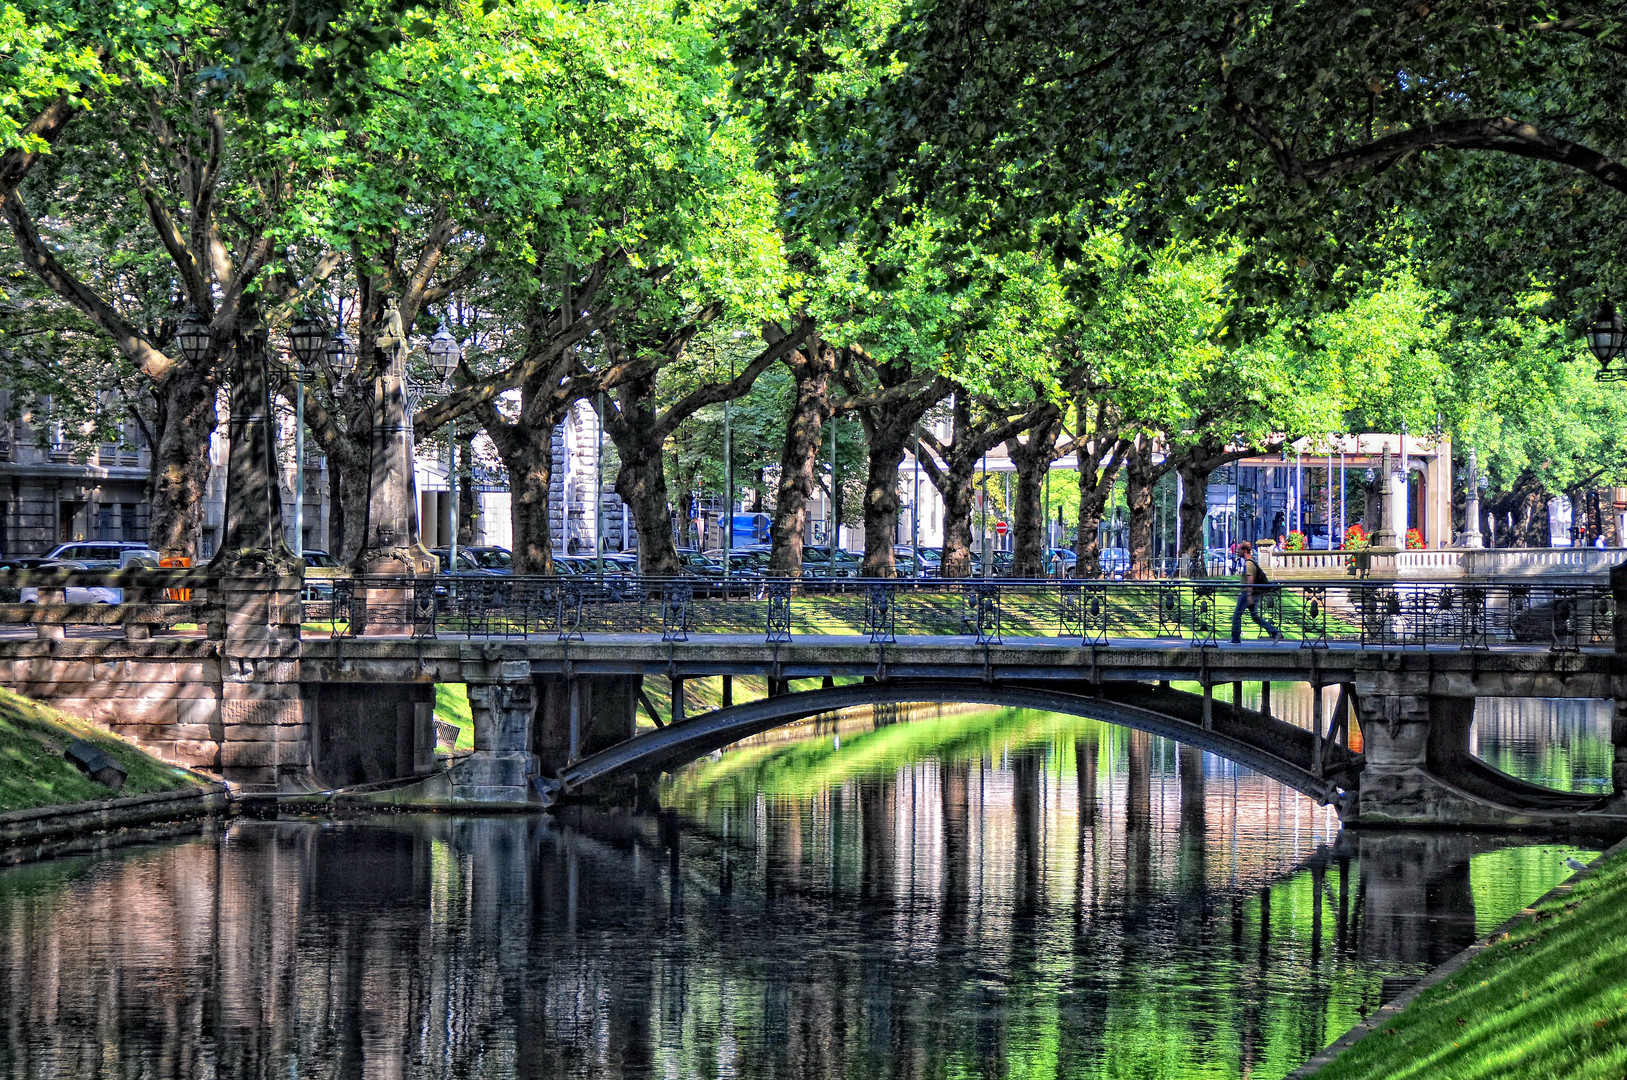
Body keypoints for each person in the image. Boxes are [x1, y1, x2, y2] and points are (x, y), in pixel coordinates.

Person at [1231, 541, 1283, 643]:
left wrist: (1248, 594)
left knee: (1237, 615)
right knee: (1255, 617)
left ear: (1245, 551)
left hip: (1249, 594)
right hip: (1251, 593)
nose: (1238, 551)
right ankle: (1275, 632)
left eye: (1240, 549)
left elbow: (1250, 579)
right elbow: (1247, 580)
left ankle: (1235, 638)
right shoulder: (1252, 562)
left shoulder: (1249, 563)